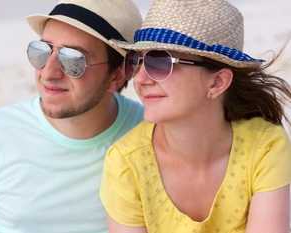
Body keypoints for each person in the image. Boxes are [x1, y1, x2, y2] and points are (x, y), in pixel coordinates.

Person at [0, 0, 143, 232]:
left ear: (118, 74)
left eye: (74, 60)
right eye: (42, 51)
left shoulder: (149, 136)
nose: (48, 73)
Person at [100, 0, 291, 232]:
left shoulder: (265, 147)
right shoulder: (126, 163)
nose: (140, 79)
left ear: (217, 82)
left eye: (159, 62)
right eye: (136, 61)